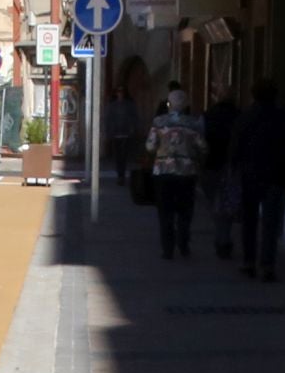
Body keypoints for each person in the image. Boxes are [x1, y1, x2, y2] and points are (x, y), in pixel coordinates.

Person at [229, 79, 285, 282]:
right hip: (276, 177)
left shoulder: (246, 117)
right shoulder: (284, 118)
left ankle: (249, 262)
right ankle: (267, 265)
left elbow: (236, 147)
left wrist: (234, 169)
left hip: (250, 176)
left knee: (249, 221)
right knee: (271, 223)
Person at [145, 83, 207, 260]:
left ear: (169, 104)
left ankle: (167, 248)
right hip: (187, 173)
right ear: (186, 104)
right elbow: (203, 147)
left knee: (165, 211)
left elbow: (150, 146)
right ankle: (184, 244)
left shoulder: (159, 122)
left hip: (163, 173)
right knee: (185, 210)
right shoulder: (193, 123)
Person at [202, 86, 240, 259]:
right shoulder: (239, 116)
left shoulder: (209, 115)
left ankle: (221, 239)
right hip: (232, 166)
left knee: (215, 205)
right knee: (228, 204)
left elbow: (201, 141)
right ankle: (223, 238)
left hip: (212, 165)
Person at [102, 85, 138, 187]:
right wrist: (108, 133)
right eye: (118, 91)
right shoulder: (112, 105)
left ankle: (121, 174)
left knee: (124, 155)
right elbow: (107, 120)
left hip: (126, 133)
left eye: (122, 91)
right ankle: (120, 175)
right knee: (118, 156)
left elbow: (135, 118)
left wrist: (133, 129)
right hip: (116, 133)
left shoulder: (129, 105)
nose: (120, 94)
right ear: (116, 93)